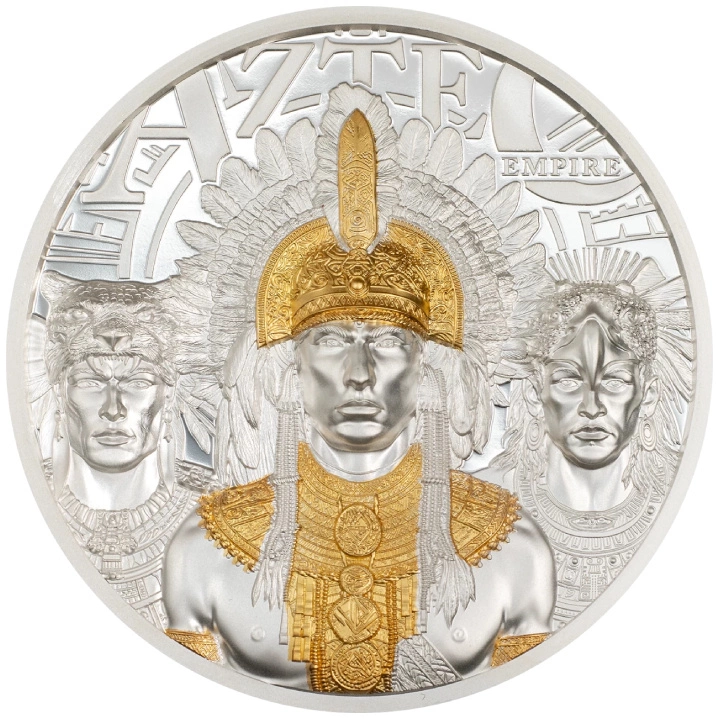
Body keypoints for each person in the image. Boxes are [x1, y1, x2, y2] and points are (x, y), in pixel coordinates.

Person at [163, 88, 556, 692]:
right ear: (290, 367)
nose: (360, 372)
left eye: (389, 341)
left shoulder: (511, 549)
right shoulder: (208, 547)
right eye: (331, 340)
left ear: (427, 368)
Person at [493, 248, 693, 626]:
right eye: (568, 379)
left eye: (615, 380)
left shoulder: (690, 511)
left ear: (648, 394)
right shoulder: (479, 512)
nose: (592, 406)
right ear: (536, 392)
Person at [34, 275, 216, 629]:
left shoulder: (223, 520)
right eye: (90, 383)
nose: (113, 409)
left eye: (138, 383)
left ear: (169, 395)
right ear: (59, 393)